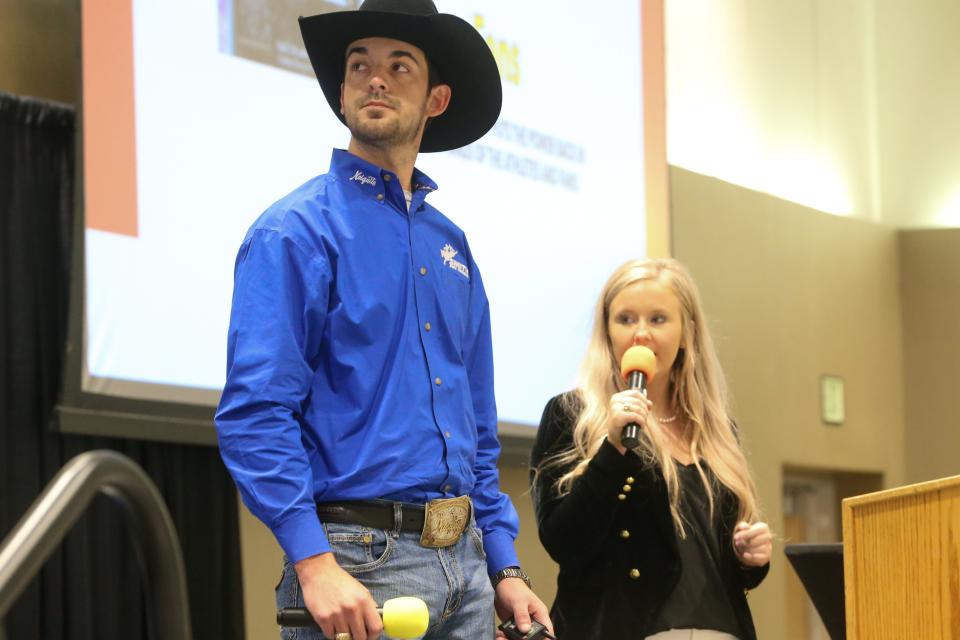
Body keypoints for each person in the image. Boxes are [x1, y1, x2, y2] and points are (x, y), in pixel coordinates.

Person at [215, 1, 551, 639]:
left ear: (436, 99)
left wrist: (506, 566)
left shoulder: (452, 247)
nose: (376, 78)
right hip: (355, 567)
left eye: (400, 66)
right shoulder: (294, 231)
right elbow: (255, 413)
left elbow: (478, 432)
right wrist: (313, 563)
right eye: (359, 65)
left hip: (470, 570)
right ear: (341, 92)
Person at [530, 258, 772, 640]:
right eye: (625, 319)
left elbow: (715, 563)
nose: (640, 333)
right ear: (607, 331)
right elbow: (563, 541)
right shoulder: (571, 415)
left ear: (687, 332)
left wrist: (751, 559)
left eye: (658, 319)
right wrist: (612, 447)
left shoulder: (717, 430)